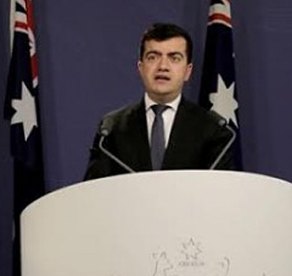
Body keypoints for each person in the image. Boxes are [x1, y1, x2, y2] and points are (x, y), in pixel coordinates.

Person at [83, 23, 236, 181]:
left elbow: (220, 194)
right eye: (153, 57)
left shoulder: (213, 130)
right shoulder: (111, 129)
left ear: (187, 71)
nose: (163, 66)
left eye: (174, 58)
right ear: (141, 68)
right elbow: (94, 192)